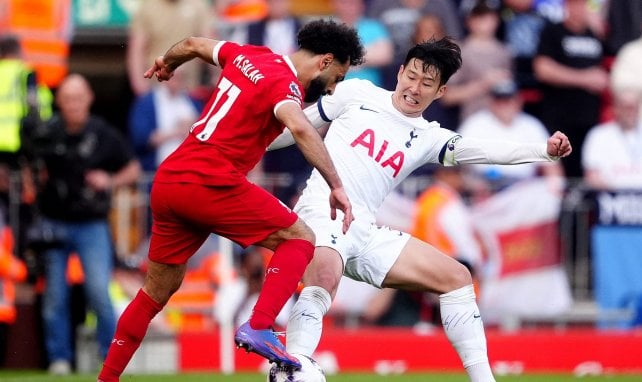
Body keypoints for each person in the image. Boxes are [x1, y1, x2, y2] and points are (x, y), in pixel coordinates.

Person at [268, 37, 571, 382]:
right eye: (411, 76)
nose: (414, 87)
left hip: (364, 230)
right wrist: (241, 146)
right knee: (323, 277)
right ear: (400, 72)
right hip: (323, 212)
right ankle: (293, 367)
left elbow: (484, 149)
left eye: (427, 83)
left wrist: (543, 152)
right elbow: (297, 126)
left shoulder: (429, 137)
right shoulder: (357, 94)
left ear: (440, 92)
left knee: (457, 279)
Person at [97, 19, 365, 382]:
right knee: (300, 239)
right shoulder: (285, 86)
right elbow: (300, 126)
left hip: (171, 180)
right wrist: (336, 185)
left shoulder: (247, 55)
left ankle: (106, 378)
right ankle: (260, 325)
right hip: (210, 181)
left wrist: (167, 62)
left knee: (156, 291)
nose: (334, 88)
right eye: (339, 76)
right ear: (325, 61)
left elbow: (191, 42)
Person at [31, 74, 142, 375]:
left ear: (89, 99)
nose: (74, 105)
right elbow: (30, 162)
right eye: (68, 99)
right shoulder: (47, 132)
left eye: (79, 98)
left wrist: (110, 180)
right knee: (54, 295)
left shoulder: (103, 133)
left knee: (98, 292)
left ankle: (110, 357)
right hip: (54, 222)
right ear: (59, 102)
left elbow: (132, 168)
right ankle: (59, 359)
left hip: (91, 223)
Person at [533, 0, 607, 179]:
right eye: (573, 4)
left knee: (587, 170)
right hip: (559, 118)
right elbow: (543, 69)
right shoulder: (553, 31)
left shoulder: (594, 34)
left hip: (590, 119)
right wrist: (584, 79)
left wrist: (601, 31)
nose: (577, 9)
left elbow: (605, 71)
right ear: (565, 6)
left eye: (581, 4)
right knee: (561, 170)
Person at [457, 79, 564, 194]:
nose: (504, 105)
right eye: (500, 100)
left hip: (522, 188)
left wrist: (555, 192)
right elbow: (454, 162)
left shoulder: (531, 125)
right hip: (483, 189)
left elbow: (552, 167)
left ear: (519, 101)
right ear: (491, 102)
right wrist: (469, 184)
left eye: (508, 100)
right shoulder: (475, 123)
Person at [126, 0, 211, 96]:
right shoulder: (147, 7)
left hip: (189, 90)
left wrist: (216, 80)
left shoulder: (198, 5)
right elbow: (137, 50)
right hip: (156, 90)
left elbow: (209, 46)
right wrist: (139, 86)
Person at [582, 88, 642, 190]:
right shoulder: (599, 135)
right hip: (610, 199)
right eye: (626, 107)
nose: (630, 112)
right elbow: (592, 176)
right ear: (616, 108)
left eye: (634, 107)